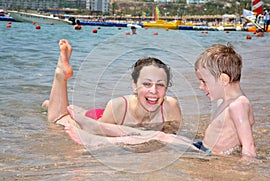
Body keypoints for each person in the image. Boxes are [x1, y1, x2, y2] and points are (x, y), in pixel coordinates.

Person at [65, 43, 257, 158]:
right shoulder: (226, 100)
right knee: (142, 133)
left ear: (224, 80)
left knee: (157, 136)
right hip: (202, 147)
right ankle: (93, 125)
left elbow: (248, 146)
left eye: (204, 82)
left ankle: (96, 141)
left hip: (208, 155)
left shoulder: (239, 105)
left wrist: (244, 171)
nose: (201, 87)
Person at [42, 39, 181, 136]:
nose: (154, 91)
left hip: (107, 118)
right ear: (134, 85)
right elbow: (92, 134)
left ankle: (49, 103)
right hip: (99, 119)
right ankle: (60, 73)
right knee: (56, 120)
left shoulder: (171, 106)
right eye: (147, 84)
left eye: (160, 84)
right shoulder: (117, 106)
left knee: (53, 106)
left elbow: (171, 136)